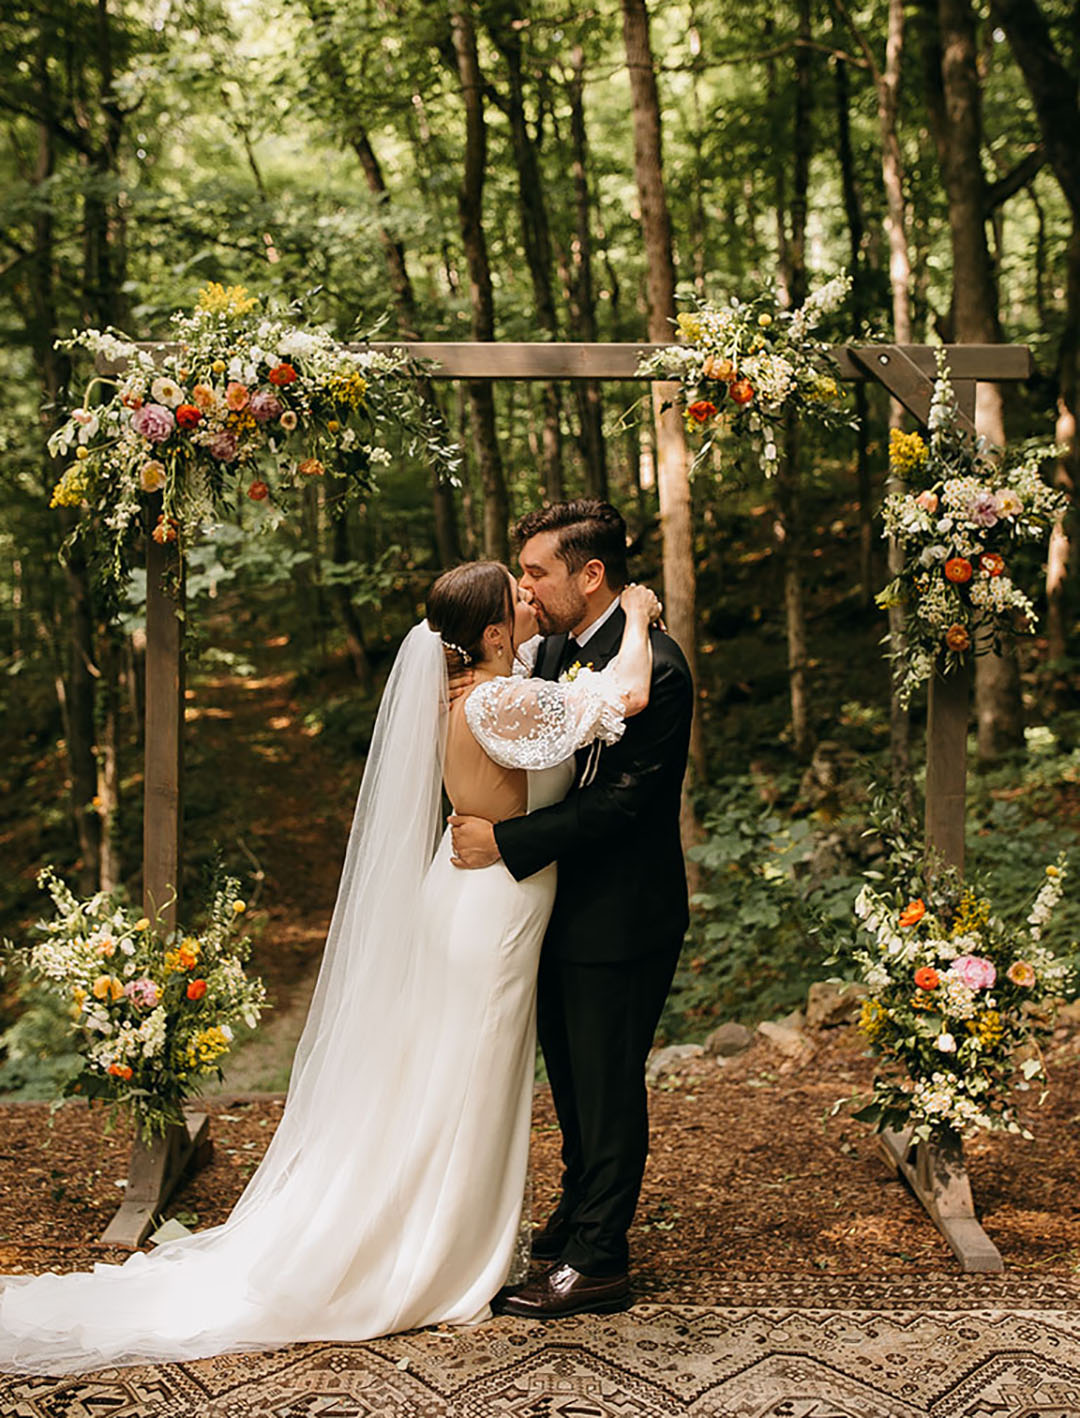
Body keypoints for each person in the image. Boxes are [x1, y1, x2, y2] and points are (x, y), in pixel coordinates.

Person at [0, 560, 661, 1376]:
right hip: (489, 906)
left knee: (452, 1076)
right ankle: (433, 1254)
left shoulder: (474, 689)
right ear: (492, 634)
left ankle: (441, 1231)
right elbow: (626, 695)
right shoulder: (500, 700)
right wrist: (634, 612)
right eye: (517, 597)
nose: (531, 599)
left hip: (478, 893)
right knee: (465, 1080)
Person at [450, 500, 693, 1319]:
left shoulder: (656, 668)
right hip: (552, 910)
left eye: (537, 572)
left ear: (592, 575)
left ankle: (598, 1259)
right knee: (573, 1082)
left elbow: (622, 805)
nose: (525, 586)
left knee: (608, 1082)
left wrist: (505, 841)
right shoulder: (548, 651)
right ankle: (574, 1213)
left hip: (621, 915)